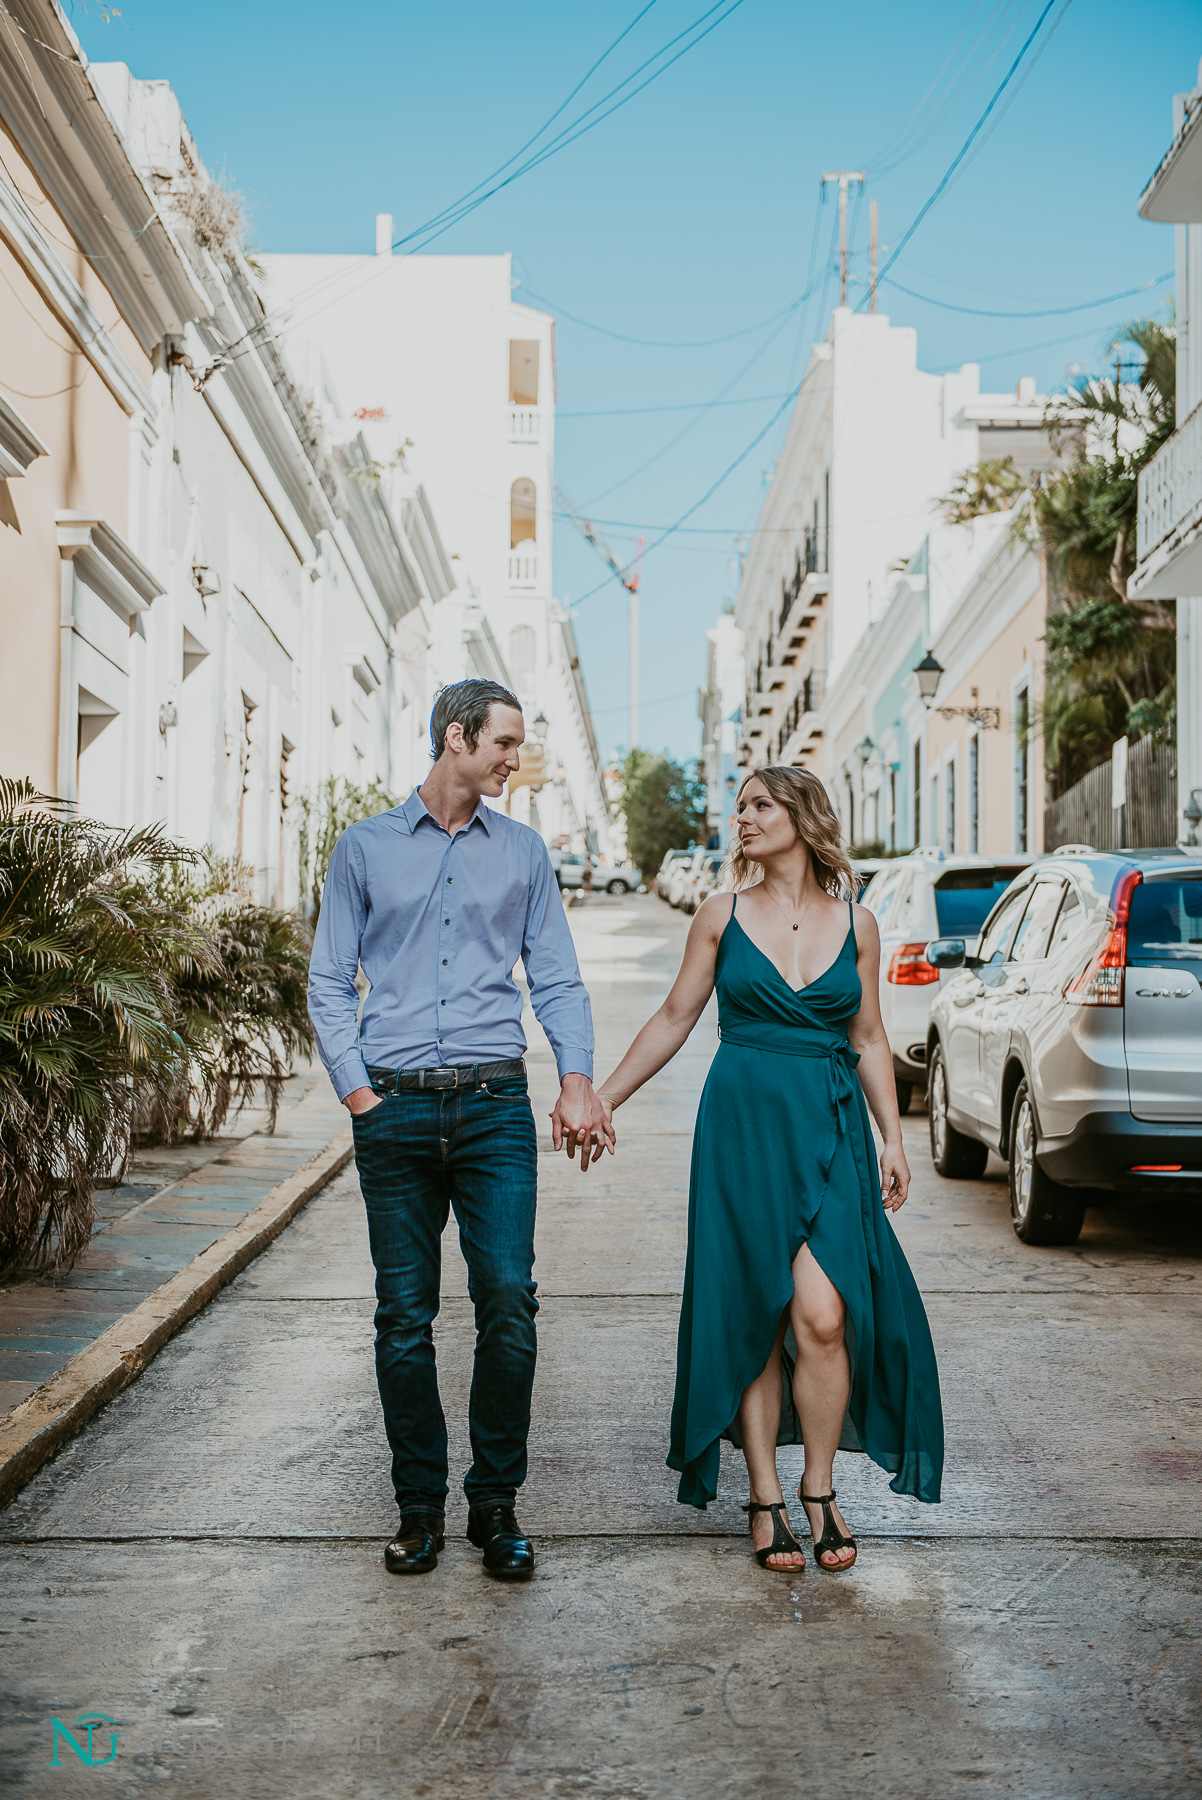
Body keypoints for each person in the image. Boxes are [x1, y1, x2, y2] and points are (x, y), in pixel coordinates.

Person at [595, 766, 943, 1572]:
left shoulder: (858, 924)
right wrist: (605, 1096)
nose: (741, 817)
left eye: (758, 805)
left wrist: (894, 1139)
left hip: (829, 1128)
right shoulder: (719, 915)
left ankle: (818, 1487)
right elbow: (676, 1016)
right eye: (739, 806)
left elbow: (868, 1037)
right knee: (754, 1309)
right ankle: (764, 1494)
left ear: (802, 816)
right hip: (743, 1131)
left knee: (823, 1315)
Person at [308, 679, 613, 1582]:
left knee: (508, 1300)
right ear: (457, 738)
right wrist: (357, 1092)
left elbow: (555, 976)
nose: (516, 760)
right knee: (404, 1316)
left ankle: (495, 1506)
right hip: (392, 1108)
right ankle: (417, 1511)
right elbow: (330, 979)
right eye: (506, 744)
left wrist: (575, 1078)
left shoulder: (523, 854)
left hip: (491, 1110)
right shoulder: (363, 848)